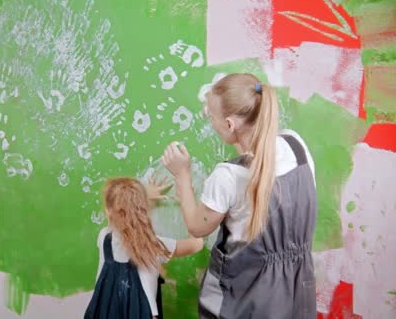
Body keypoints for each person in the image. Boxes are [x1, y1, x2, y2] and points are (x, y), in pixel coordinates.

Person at [161, 73, 317, 318]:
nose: (209, 118)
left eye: (211, 115)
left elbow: (196, 226)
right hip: (297, 288)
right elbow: (259, 159)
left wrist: (182, 175)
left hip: (248, 296)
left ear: (230, 125)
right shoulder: (296, 146)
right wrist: (220, 112)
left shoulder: (228, 176)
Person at [85, 177, 204, 319]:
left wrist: (144, 198)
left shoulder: (104, 237)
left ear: (108, 212)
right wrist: (187, 203)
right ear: (143, 210)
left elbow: (128, 220)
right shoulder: (153, 245)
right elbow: (197, 243)